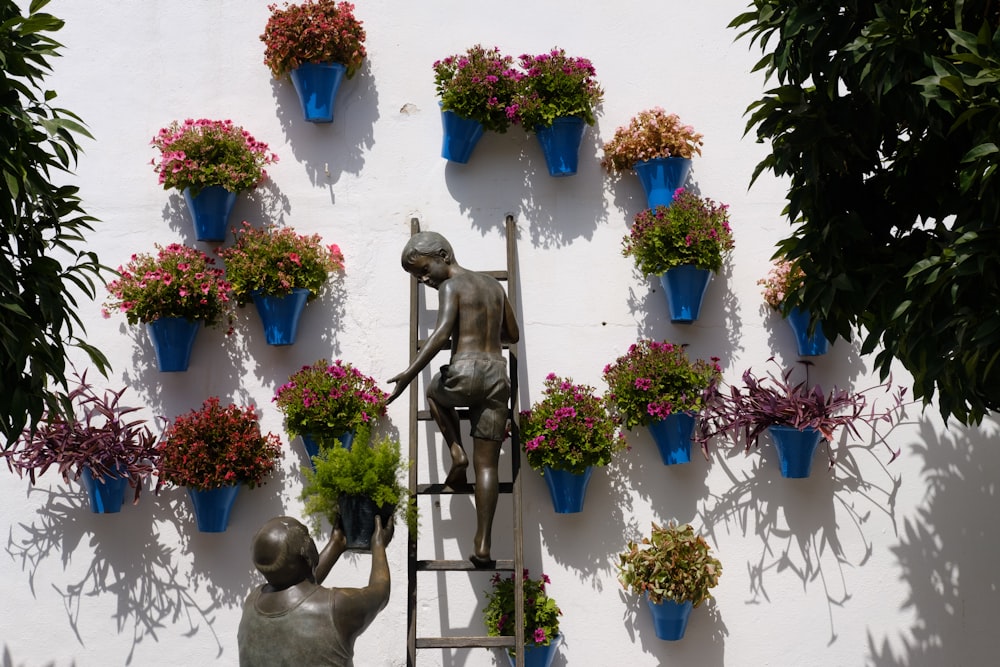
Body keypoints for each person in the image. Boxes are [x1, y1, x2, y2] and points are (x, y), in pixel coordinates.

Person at [387, 231, 519, 566]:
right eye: (417, 276)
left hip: (464, 372)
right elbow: (512, 335)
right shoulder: (494, 286)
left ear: (444, 255)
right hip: (496, 376)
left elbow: (442, 333)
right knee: (488, 464)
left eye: (424, 269)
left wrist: (409, 373)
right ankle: (484, 542)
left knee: (434, 392)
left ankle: (456, 452)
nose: (423, 278)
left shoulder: (450, 287)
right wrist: (486, 332)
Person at [237, 515, 393, 667]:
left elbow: (298, 583)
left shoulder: (252, 601)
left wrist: (335, 544)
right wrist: (378, 545)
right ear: (307, 552)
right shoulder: (335, 607)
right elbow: (380, 593)